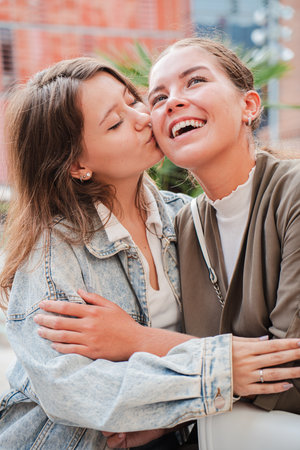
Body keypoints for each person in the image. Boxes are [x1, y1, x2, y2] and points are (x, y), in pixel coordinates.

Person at [1, 55, 299, 450]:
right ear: (78, 164)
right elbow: (70, 389)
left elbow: (253, 350)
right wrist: (217, 371)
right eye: (115, 122)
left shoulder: (183, 219)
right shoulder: (54, 253)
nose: (143, 117)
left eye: (133, 100)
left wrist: (136, 345)